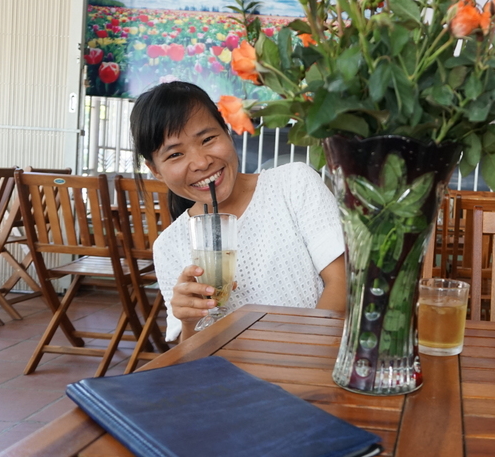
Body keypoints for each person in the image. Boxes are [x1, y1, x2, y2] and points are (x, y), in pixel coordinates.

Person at [130, 81, 346, 342]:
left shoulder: (293, 183)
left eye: (208, 139)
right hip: (230, 378)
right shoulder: (169, 246)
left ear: (227, 132)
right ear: (155, 170)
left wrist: (298, 359)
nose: (201, 162)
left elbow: (343, 282)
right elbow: (193, 353)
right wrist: (189, 319)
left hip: (314, 362)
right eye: (175, 155)